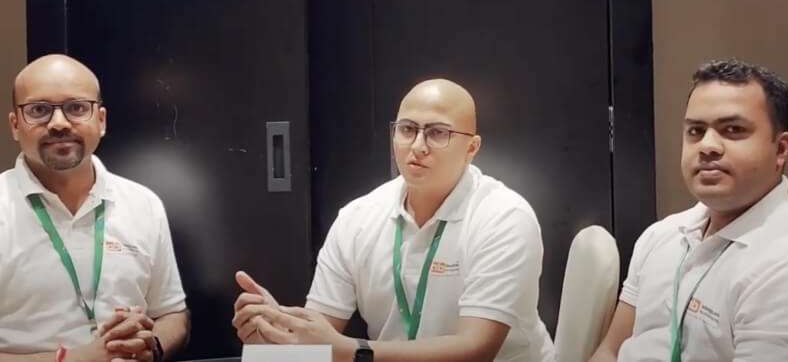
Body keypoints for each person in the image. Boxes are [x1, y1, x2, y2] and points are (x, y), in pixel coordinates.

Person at [232, 79, 555, 362]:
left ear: (472, 148)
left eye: (437, 133)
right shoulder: (358, 218)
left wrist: (355, 352)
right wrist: (278, 339)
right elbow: (320, 341)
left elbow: (476, 350)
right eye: (407, 129)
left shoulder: (504, 217)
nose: (418, 146)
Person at [590, 60, 788, 362]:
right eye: (696, 131)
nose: (707, 146)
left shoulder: (780, 264)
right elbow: (611, 350)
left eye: (733, 130)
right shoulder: (662, 234)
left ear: (780, 149)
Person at [0, 55, 189, 362]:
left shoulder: (143, 204)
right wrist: (76, 358)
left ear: (101, 120)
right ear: (15, 126)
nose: (59, 123)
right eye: (39, 110)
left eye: (76, 108)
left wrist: (150, 346)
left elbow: (172, 314)